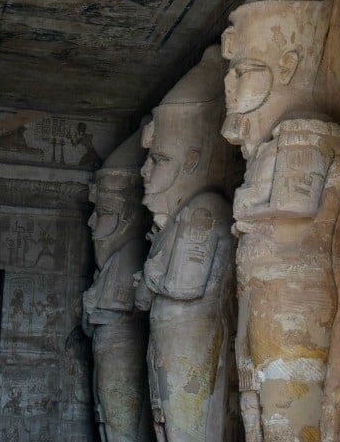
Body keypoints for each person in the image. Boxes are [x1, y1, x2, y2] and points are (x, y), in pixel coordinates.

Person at [222, 0, 340, 441]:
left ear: (289, 65)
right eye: (231, 75)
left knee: (287, 416)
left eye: (247, 71)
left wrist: (246, 205)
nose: (233, 89)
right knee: (256, 409)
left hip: (295, 300)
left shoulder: (306, 134)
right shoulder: (271, 146)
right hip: (265, 293)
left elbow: (294, 209)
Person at [134, 46, 236, 442]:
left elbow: (183, 287)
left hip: (190, 340)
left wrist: (152, 276)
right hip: (173, 339)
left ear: (191, 160)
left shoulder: (203, 212)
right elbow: (146, 295)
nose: (144, 172)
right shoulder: (177, 220)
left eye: (158, 160)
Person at [82, 127, 153, 442]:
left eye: (105, 213)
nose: (93, 223)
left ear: (129, 216)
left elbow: (115, 312)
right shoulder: (115, 261)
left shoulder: (129, 255)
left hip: (122, 354)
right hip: (109, 353)